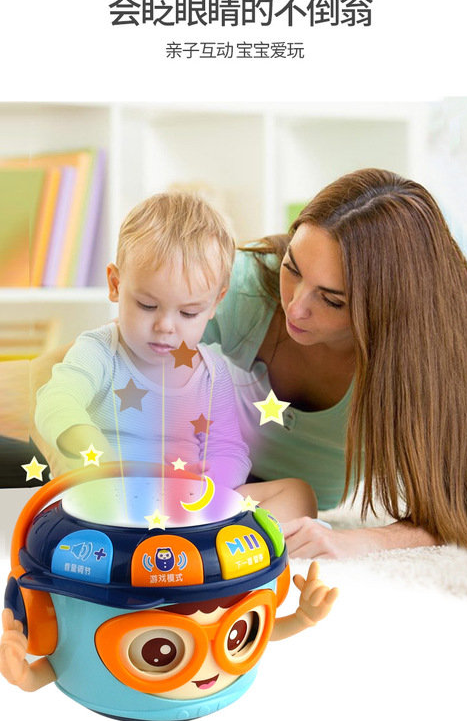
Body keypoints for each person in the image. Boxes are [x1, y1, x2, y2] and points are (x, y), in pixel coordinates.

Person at [30, 170, 467, 558]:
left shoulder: (429, 359)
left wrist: (354, 541)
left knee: (296, 496)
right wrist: (85, 464)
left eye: (331, 300)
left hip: (225, 488)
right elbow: (68, 373)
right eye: (293, 268)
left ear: (385, 310)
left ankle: (204, 540)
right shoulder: (242, 287)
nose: (296, 308)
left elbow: (460, 508)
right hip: (128, 475)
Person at [34, 192, 316, 517]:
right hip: (108, 496)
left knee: (298, 495)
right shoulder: (98, 351)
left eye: (188, 313)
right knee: (61, 507)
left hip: (184, 503)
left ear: (216, 302)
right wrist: (97, 456)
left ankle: (208, 532)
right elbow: (56, 402)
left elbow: (229, 450)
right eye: (147, 305)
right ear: (115, 284)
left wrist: (209, 487)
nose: (165, 326)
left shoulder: (212, 373)